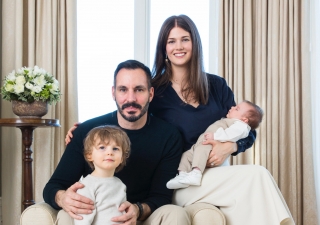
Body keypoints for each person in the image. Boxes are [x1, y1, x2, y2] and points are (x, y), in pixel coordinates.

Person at [65, 15, 294, 225]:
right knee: (258, 176)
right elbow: (128, 112)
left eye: (185, 39)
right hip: (179, 178)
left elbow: (246, 129)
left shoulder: (217, 86)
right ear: (164, 48)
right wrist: (86, 130)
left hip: (216, 172)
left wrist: (231, 146)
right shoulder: (156, 90)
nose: (179, 46)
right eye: (171, 41)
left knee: (255, 186)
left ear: (194, 43)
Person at [43, 60, 191, 225]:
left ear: (150, 94)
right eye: (123, 89)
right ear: (113, 93)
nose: (131, 98)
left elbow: (161, 197)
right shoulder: (87, 132)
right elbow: (53, 186)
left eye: (139, 90)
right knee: (65, 214)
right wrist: (62, 198)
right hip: (96, 216)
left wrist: (137, 210)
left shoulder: (169, 136)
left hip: (144, 216)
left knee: (175, 212)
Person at [166, 100, 263, 189]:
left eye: (236, 109)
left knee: (201, 151)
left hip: (211, 144)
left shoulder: (240, 126)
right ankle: (182, 175)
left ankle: (196, 173)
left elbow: (230, 135)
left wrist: (216, 136)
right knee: (187, 155)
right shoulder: (231, 120)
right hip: (201, 143)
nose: (232, 107)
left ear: (245, 120)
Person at [74, 125, 130, 225]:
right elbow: (82, 219)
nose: (109, 152)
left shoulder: (119, 183)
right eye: (102, 147)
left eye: (115, 149)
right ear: (89, 155)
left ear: (122, 158)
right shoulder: (87, 184)